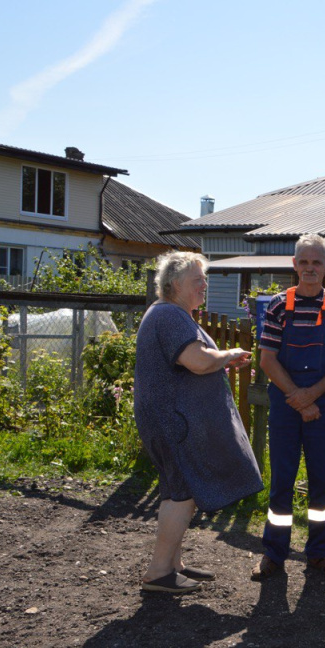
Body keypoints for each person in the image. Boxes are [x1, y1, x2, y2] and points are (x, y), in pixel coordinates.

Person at [134, 251, 264, 594]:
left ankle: (172, 565)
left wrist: (219, 361)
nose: (204, 285)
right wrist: (230, 355)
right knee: (182, 492)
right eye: (198, 279)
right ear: (175, 285)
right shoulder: (171, 316)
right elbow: (196, 361)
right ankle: (159, 572)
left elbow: (199, 361)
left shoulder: (169, 314)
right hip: (173, 421)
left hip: (168, 419)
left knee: (178, 489)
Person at [252, 234, 325, 581]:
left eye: (317, 262)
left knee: (321, 482)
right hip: (285, 403)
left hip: (322, 405)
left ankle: (320, 555)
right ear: (294, 265)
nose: (310, 268)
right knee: (281, 479)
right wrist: (297, 395)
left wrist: (311, 396)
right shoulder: (279, 306)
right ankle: (273, 555)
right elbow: (267, 360)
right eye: (304, 262)